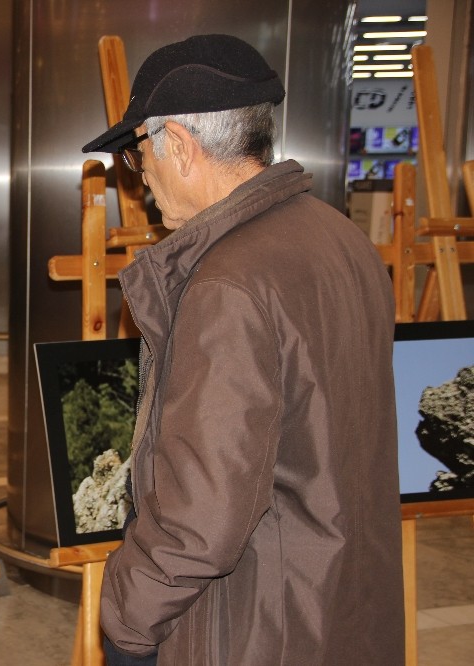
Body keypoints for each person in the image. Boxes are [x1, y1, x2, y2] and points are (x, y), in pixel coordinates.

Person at [81, 34, 403, 665]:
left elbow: (203, 511)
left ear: (177, 143)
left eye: (137, 156)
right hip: (342, 601)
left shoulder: (228, 282)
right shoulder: (341, 239)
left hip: (258, 623)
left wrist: (126, 617)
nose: (141, 178)